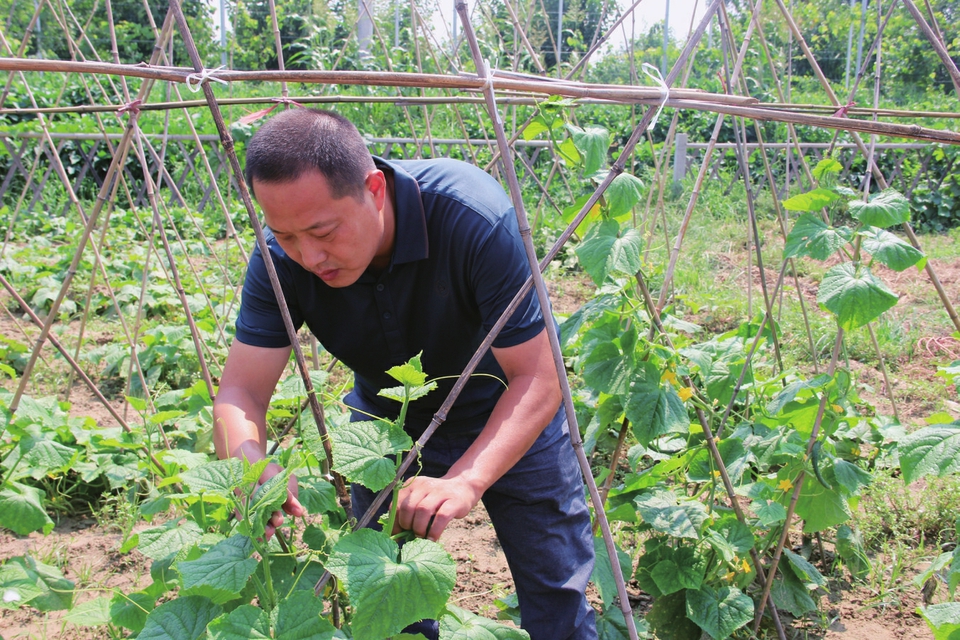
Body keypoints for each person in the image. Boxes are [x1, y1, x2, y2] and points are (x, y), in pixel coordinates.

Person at [212, 108, 597, 640]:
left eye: (323, 231)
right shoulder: (281, 260)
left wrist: (465, 479)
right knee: (390, 602)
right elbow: (240, 392)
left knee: (556, 591)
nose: (309, 256)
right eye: (286, 236)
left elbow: (539, 376)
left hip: (509, 413)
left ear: (373, 188)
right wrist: (250, 465)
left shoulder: (472, 218)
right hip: (385, 428)